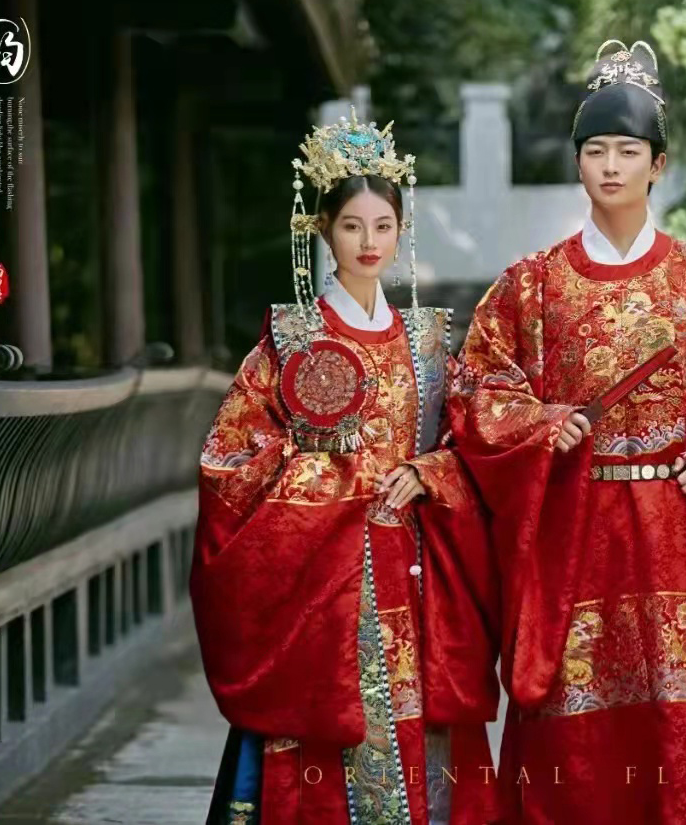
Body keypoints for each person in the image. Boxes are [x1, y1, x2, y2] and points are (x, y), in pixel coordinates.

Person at [448, 40, 686, 824]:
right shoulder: (530, 286)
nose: (610, 165)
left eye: (628, 150)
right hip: (572, 537)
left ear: (658, 165)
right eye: (595, 150)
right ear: (578, 162)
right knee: (565, 741)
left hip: (675, 539)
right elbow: (476, 388)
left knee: (675, 736)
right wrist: (541, 425)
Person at [192, 112, 500, 825]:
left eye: (383, 226)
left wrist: (430, 473)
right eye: (353, 226)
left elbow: (471, 445)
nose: (369, 243)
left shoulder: (428, 344)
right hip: (325, 590)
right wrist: (334, 480)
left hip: (415, 577)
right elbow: (228, 463)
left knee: (424, 756)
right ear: (323, 229)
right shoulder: (291, 342)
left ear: (401, 231)